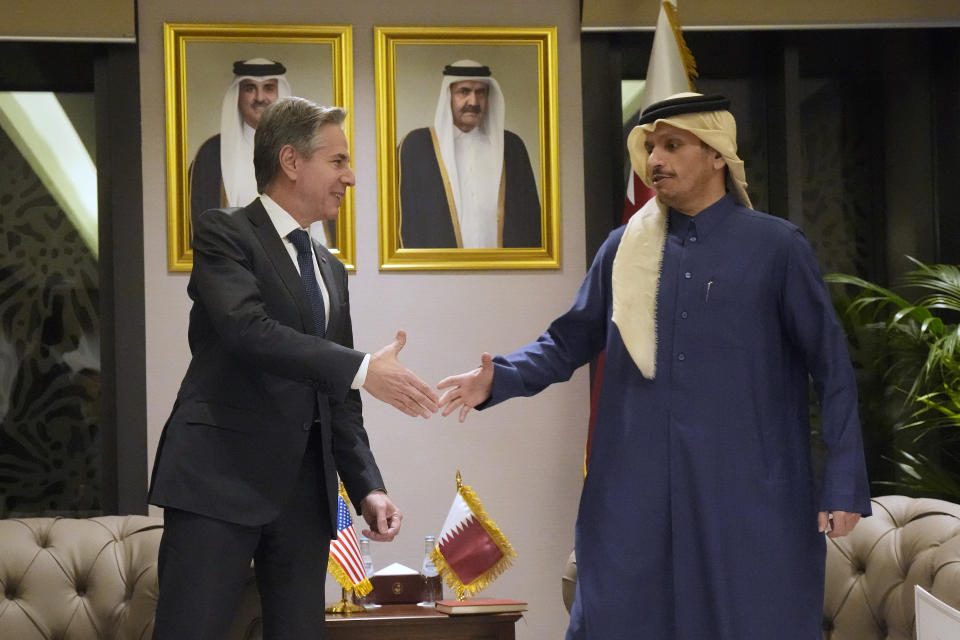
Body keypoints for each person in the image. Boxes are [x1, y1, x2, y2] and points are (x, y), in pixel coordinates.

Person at [437, 93, 871, 639]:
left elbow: (832, 368)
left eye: (671, 145)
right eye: (648, 147)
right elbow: (568, 341)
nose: (655, 161)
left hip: (749, 491)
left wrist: (843, 483)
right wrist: (499, 377)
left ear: (717, 154)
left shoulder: (776, 248)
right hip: (635, 489)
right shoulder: (623, 249)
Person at [150, 97, 440, 640]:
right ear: (291, 161)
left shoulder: (330, 268)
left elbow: (339, 394)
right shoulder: (225, 232)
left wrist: (367, 488)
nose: (350, 177)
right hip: (218, 480)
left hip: (304, 497)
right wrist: (361, 368)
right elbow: (248, 331)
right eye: (338, 162)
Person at [188, 58, 335, 247]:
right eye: (250, 88)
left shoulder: (305, 148)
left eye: (268, 88)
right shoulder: (210, 154)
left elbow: (320, 223)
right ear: (238, 95)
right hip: (236, 266)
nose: (259, 98)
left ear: (279, 94)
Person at [398, 60, 541, 249]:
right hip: (439, 272)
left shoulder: (512, 147)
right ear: (448, 95)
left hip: (503, 271)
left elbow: (530, 221)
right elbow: (405, 219)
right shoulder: (417, 146)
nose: (473, 102)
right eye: (464, 91)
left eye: (480, 92)